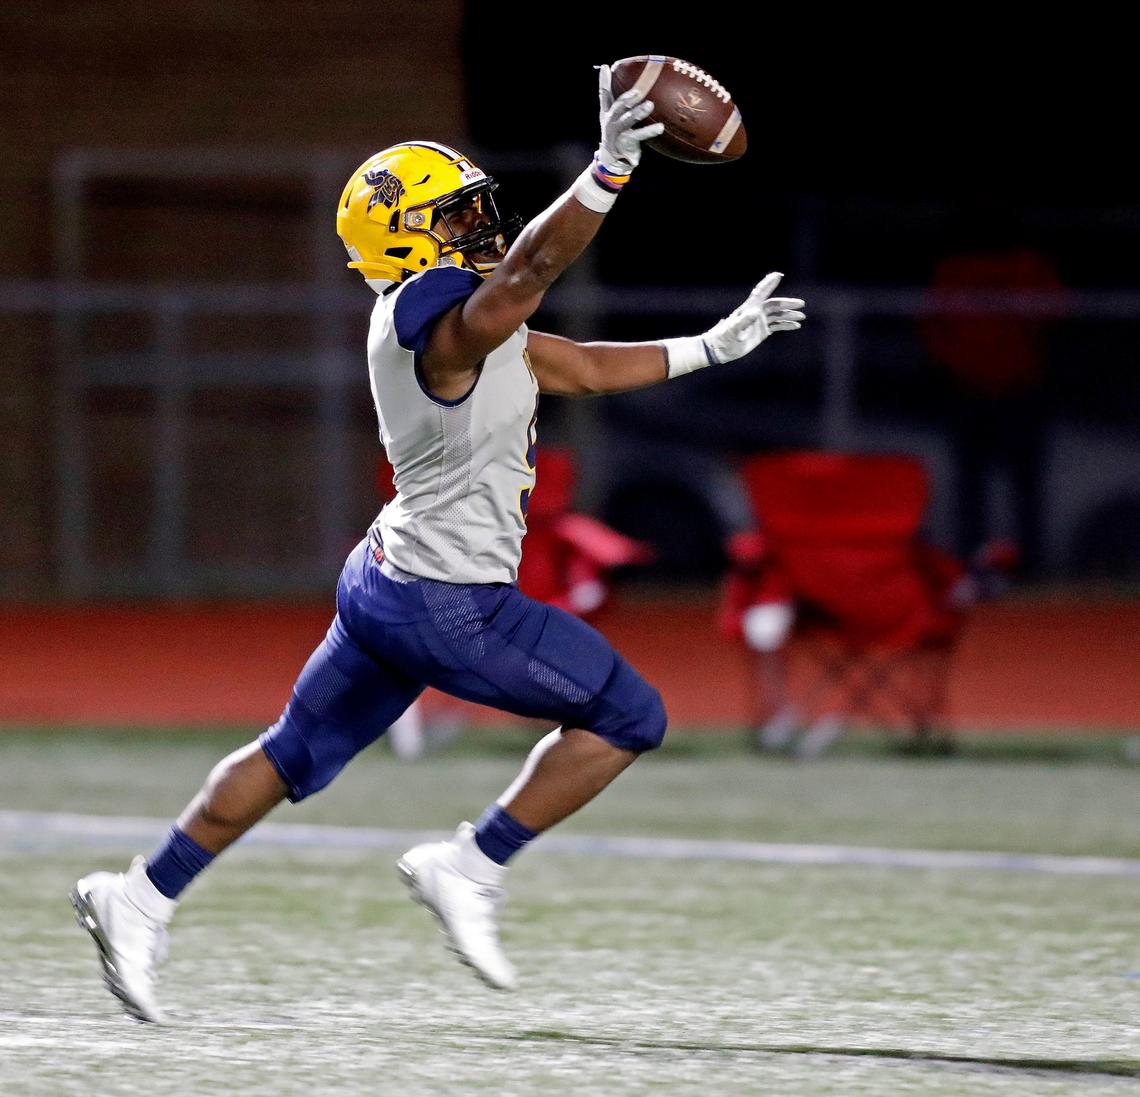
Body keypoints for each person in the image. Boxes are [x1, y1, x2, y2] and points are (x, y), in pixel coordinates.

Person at [70, 66, 806, 1023]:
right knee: (631, 715)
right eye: (455, 220)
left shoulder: (463, 320)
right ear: (409, 242)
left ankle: (140, 894)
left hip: (388, 575)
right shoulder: (437, 326)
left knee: (292, 751)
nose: (479, 229)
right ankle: (470, 860)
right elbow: (531, 275)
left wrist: (713, 344)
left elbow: (573, 367)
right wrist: (608, 172)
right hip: (447, 599)